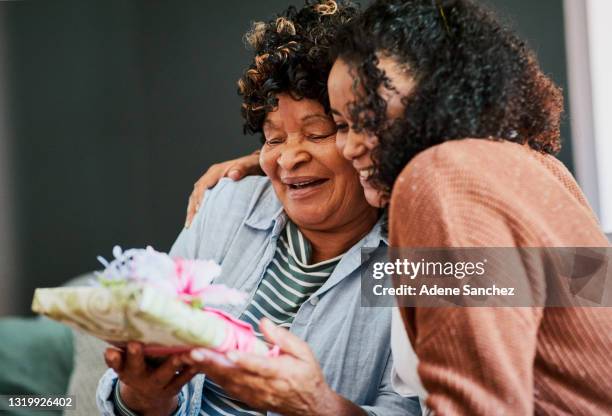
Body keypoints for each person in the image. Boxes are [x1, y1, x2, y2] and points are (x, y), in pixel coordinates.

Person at [97, 2, 421, 415]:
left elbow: (414, 408)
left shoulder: (417, 259)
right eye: (272, 139)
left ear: (370, 134)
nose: (287, 159)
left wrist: (318, 406)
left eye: (318, 131)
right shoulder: (227, 205)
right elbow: (132, 368)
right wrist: (146, 396)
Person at [326, 0, 612, 414]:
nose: (350, 147)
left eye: (370, 118)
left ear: (439, 100)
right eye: (341, 125)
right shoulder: (541, 168)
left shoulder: (439, 177)